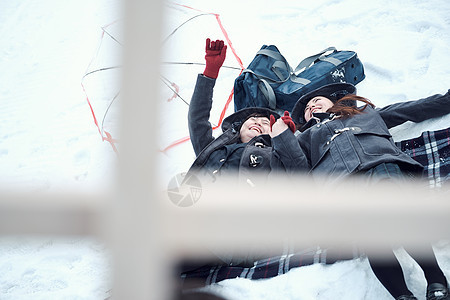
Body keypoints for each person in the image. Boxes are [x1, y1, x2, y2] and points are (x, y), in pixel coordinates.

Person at [287, 83, 450, 300]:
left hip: (380, 165)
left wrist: (446, 100)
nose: (311, 106)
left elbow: (409, 109)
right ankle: (402, 296)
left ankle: (435, 278)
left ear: (334, 103)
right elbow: (293, 169)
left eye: (317, 101)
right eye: (307, 108)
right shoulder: (304, 139)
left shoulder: (364, 114)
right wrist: (283, 138)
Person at [186, 38, 302, 187]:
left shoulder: (274, 156)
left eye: (266, 122)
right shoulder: (213, 150)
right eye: (253, 119)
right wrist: (209, 74)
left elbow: (298, 171)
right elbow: (197, 119)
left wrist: (285, 139)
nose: (258, 122)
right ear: (239, 127)